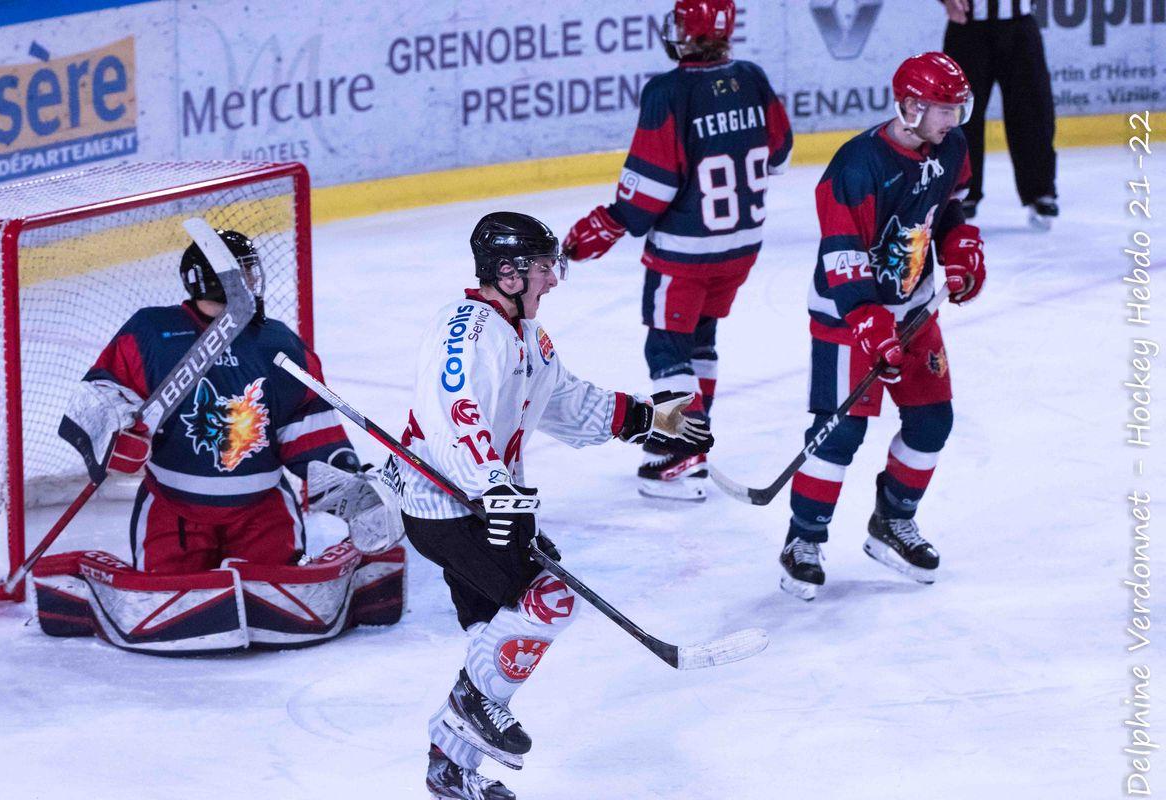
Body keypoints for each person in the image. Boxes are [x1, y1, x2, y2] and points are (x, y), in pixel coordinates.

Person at [398, 212, 713, 799]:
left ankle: (450, 767)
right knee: (549, 598)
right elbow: (454, 414)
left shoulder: (528, 338)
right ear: (510, 274)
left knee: (492, 634)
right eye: (544, 267)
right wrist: (494, 487)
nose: (553, 278)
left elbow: (566, 401)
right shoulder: (464, 330)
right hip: (446, 505)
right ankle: (467, 707)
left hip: (487, 503)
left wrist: (646, 419)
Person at [35, 229, 406, 653]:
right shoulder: (151, 332)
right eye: (243, 272)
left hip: (263, 512)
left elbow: (305, 421)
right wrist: (116, 429)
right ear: (217, 279)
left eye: (251, 270)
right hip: (173, 511)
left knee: (271, 594)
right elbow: (99, 392)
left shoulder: (276, 341)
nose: (253, 280)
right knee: (168, 588)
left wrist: (344, 480)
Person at [562, 0, 792, 501]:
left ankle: (684, 454)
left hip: (686, 253)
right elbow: (780, 153)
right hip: (742, 246)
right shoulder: (752, 77)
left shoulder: (669, 91)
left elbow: (651, 187)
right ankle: (694, 437)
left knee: (667, 346)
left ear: (685, 33)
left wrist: (607, 225)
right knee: (701, 338)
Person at [778, 52, 987, 601]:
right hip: (848, 317)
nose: (954, 121)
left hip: (916, 311)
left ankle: (892, 523)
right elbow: (841, 255)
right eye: (945, 110)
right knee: (840, 431)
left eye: (957, 109)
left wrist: (962, 251)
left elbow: (947, 215)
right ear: (912, 107)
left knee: (931, 423)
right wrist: (870, 325)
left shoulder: (954, 148)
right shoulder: (857, 165)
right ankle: (803, 540)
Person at [940, 0, 1058, 228]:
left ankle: (1040, 190)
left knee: (1033, 111)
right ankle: (962, 193)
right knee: (961, 114)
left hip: (1020, 25)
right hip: (967, 27)